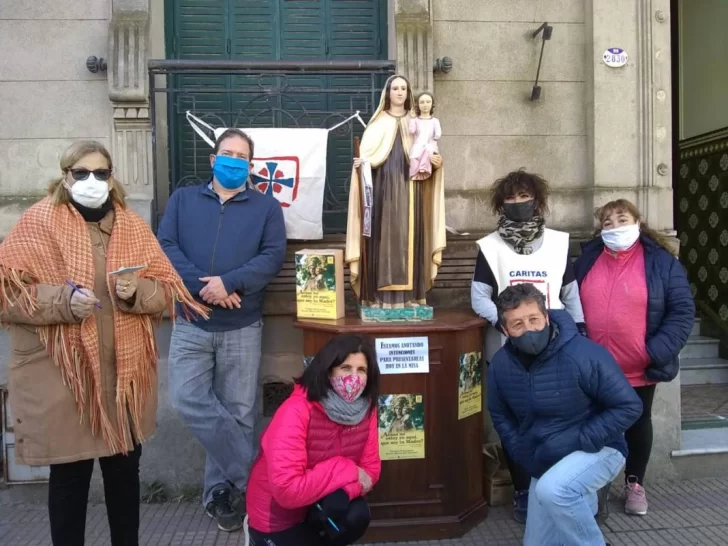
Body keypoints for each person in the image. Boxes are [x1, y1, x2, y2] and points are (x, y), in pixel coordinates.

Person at [0, 140, 207, 546]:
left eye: (101, 173)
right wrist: (63, 300)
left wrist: (136, 292)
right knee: (70, 479)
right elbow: (7, 293)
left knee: (125, 475)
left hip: (124, 379)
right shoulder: (38, 222)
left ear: (112, 178)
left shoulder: (131, 225)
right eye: (81, 173)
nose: (91, 181)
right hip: (67, 378)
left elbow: (166, 292)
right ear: (65, 176)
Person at [158, 128, 287, 531]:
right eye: (226, 153)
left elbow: (272, 256)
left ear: (250, 166)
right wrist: (206, 287)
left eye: (241, 156)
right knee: (185, 399)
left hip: (242, 323)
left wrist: (230, 283)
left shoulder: (266, 208)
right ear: (213, 159)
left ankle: (221, 493)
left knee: (240, 412)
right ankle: (255, 476)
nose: (233, 160)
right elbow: (165, 246)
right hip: (191, 321)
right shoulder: (182, 200)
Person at [488, 284, 642, 546]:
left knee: (555, 490)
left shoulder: (584, 354)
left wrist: (583, 437)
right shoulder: (501, 365)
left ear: (547, 317)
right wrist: (521, 450)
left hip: (601, 448)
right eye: (517, 325)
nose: (528, 329)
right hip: (545, 458)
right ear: (505, 330)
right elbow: (500, 415)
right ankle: (582, 499)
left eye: (534, 319)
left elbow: (629, 406)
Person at [471, 169, 585, 522]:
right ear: (500, 204)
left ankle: (559, 487)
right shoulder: (490, 247)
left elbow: (570, 294)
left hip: (555, 349)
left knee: (558, 419)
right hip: (508, 349)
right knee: (515, 423)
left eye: (524, 196)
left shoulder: (559, 243)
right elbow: (479, 297)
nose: (518, 203)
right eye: (511, 198)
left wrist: (577, 331)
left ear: (538, 200)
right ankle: (523, 489)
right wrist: (509, 325)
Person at [574, 199, 694, 516]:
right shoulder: (588, 258)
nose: (615, 227)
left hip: (639, 366)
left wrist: (652, 351)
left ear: (638, 221)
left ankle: (634, 484)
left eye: (622, 219)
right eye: (607, 223)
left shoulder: (661, 261)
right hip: (595, 366)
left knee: (638, 423)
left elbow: (681, 312)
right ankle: (594, 490)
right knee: (594, 426)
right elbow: (568, 301)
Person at [245, 334, 381, 546]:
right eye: (345, 368)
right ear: (328, 370)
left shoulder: (366, 409)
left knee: (357, 515)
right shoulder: (296, 410)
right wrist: (347, 469)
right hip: (277, 515)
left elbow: (370, 471)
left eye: (361, 370)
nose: (354, 377)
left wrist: (346, 491)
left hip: (319, 502)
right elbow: (287, 490)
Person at [346, 74, 446, 309]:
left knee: (412, 239)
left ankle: (411, 297)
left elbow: (429, 152)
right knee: (383, 239)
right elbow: (367, 158)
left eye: (403, 88)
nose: (400, 92)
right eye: (395, 88)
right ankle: (378, 298)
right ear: (388, 93)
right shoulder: (378, 123)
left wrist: (437, 164)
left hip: (413, 192)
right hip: (383, 195)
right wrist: (362, 165)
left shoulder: (418, 123)